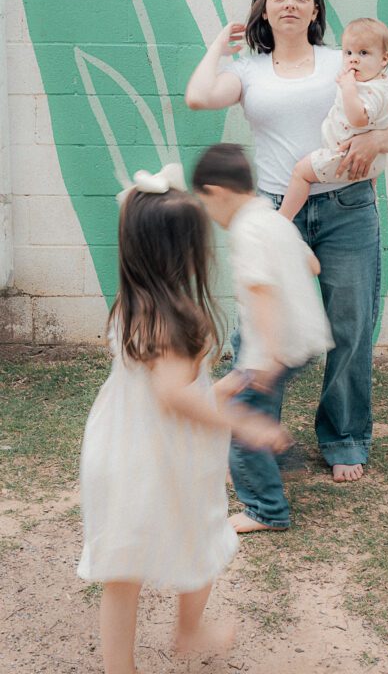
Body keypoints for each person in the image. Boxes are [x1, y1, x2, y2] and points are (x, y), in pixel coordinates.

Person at [185, 0, 388, 494]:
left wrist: (377, 141)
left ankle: (344, 438)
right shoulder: (249, 69)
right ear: (264, 5)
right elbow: (197, 96)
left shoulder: (344, 60)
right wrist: (218, 43)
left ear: (314, 9)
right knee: (260, 330)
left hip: (346, 206)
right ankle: (258, 436)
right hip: (273, 211)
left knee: (350, 324)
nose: (289, 3)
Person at [77, 164, 289, 674]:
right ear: (184, 253)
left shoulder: (134, 306)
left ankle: (119, 667)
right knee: (201, 538)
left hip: (123, 447)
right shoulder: (179, 317)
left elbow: (163, 389)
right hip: (162, 455)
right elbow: (174, 395)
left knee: (122, 569)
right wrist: (243, 420)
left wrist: (221, 385)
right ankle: (189, 632)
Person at [192, 142, 334, 533]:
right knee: (252, 413)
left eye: (205, 205)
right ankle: (275, 451)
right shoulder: (275, 221)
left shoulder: (246, 230)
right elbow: (313, 264)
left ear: (216, 193)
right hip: (303, 339)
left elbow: (260, 291)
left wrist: (267, 357)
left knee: (241, 424)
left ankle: (265, 509)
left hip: (271, 348)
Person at [279, 17, 388, 221]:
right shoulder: (384, 83)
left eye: (363, 53)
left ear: (384, 59)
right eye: (348, 53)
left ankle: (281, 219)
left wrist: (348, 88)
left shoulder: (365, 89)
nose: (353, 59)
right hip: (371, 165)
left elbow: (357, 118)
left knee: (300, 173)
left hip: (343, 157)